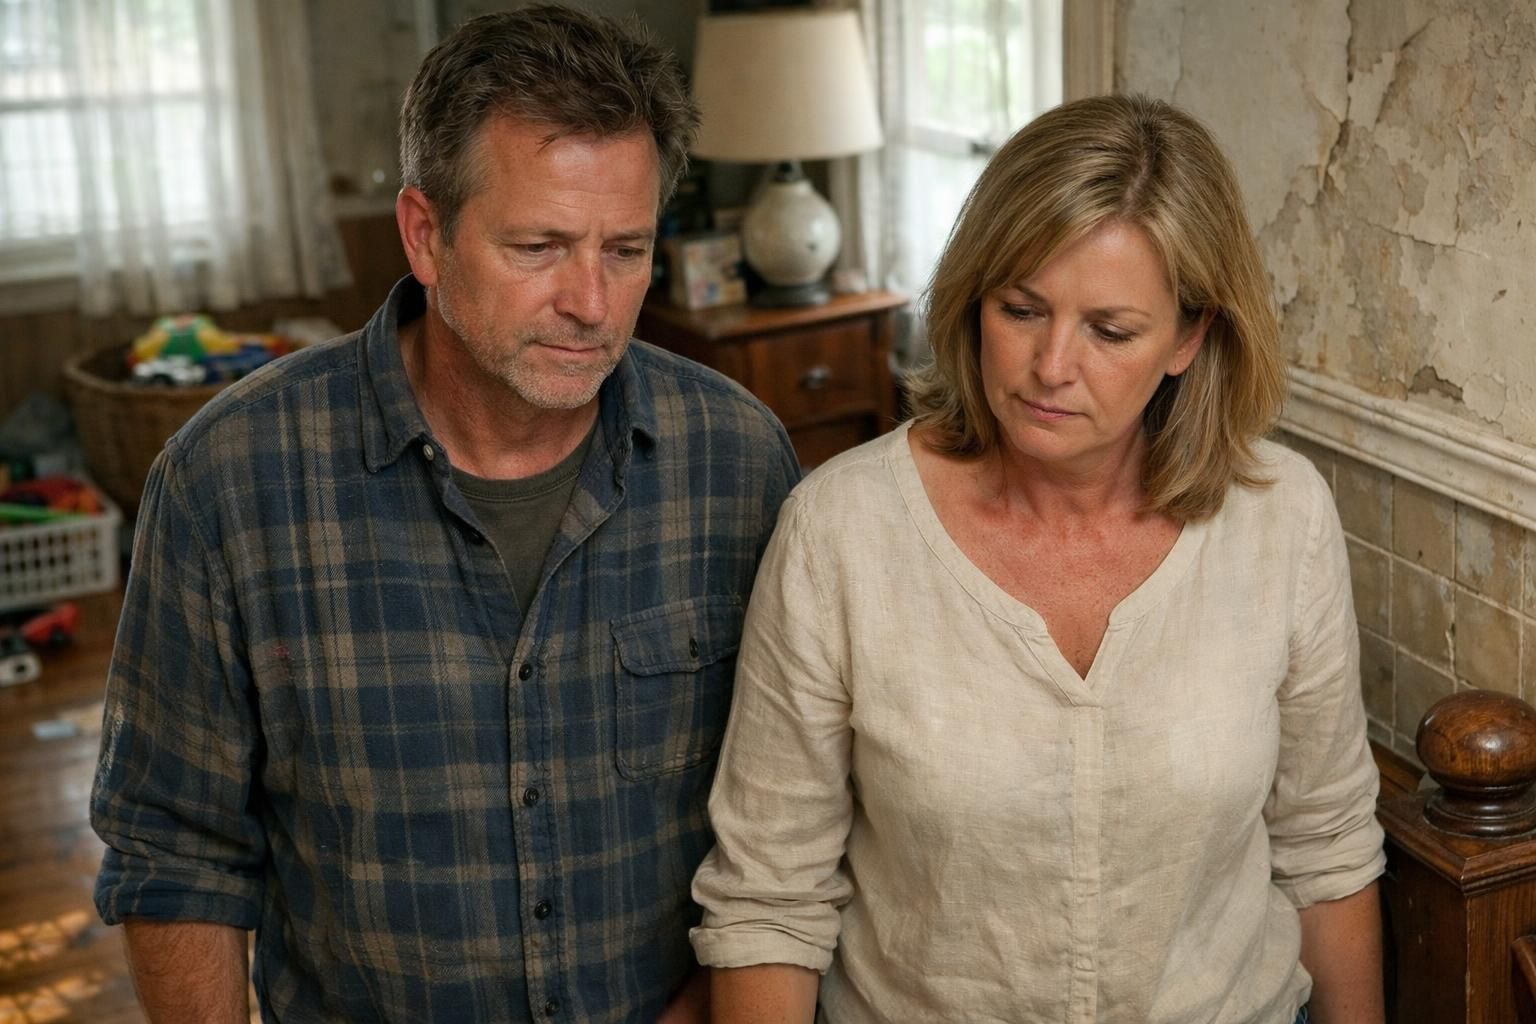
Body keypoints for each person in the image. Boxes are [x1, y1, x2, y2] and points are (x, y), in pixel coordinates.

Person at [89, 7, 800, 1022]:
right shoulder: (225, 483)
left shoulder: (741, 462)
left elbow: (790, 821)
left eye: (626, 249)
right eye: (541, 245)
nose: (592, 302)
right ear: (426, 234)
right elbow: (173, 848)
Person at [690, 94, 1386, 1024]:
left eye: (1110, 330)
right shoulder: (839, 533)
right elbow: (769, 900)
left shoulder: (1282, 518)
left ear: (1189, 338)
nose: (1050, 365)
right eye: (1021, 308)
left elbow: (1326, 846)